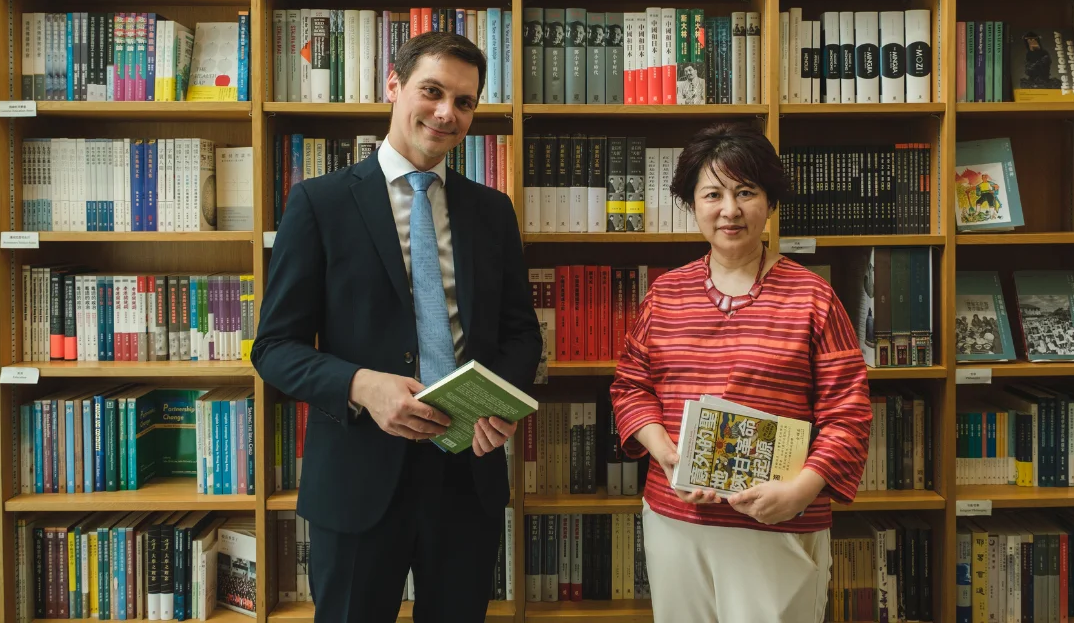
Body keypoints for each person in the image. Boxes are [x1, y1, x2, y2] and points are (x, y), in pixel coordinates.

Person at [251, 31, 542, 623]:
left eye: (464, 102)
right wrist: (362, 385)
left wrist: (500, 405)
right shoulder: (319, 203)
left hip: (467, 476)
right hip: (360, 476)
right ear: (393, 85)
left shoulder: (491, 211)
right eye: (432, 92)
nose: (446, 113)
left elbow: (521, 335)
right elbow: (274, 347)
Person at [609, 121, 871, 623]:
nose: (729, 210)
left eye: (745, 192)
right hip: (676, 519)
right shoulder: (665, 293)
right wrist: (665, 454)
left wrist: (800, 491)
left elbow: (848, 414)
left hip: (779, 521)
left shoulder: (813, 297)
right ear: (693, 205)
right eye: (712, 194)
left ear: (770, 203)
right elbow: (630, 386)